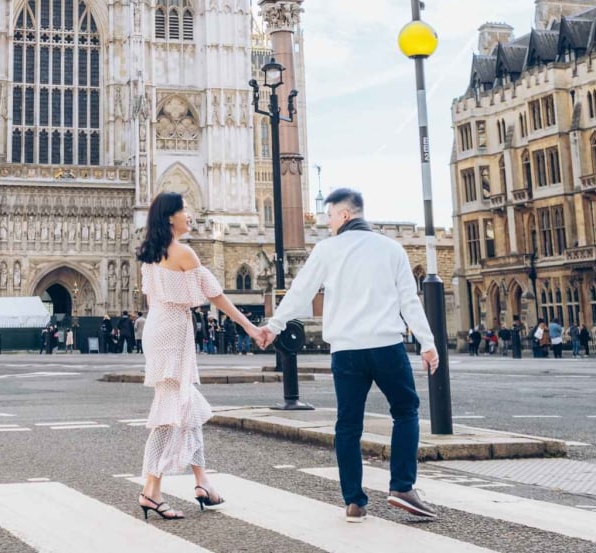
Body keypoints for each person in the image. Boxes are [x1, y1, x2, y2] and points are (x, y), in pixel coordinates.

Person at [264, 187, 440, 523]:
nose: (327, 223)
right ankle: (402, 486)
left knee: (348, 425)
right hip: (387, 346)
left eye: (329, 216)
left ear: (344, 215)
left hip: (345, 352)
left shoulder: (327, 250)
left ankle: (354, 502)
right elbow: (409, 300)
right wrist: (427, 343)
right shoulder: (391, 248)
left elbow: (301, 291)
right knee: (405, 411)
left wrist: (274, 325)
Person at [135, 191, 265, 522]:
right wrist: (250, 327)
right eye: (184, 211)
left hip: (158, 328)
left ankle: (201, 481)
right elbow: (216, 296)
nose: (189, 215)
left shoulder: (151, 254)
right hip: (173, 333)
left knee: (185, 406)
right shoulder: (184, 253)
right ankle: (151, 491)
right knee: (168, 413)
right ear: (170, 218)